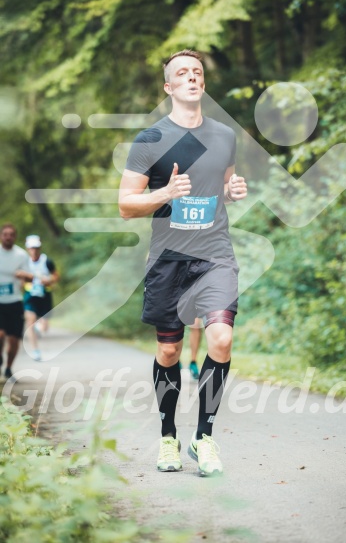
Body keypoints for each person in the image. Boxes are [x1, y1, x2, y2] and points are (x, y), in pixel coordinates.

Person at [119, 49, 247, 476]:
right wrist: (164, 195)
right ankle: (168, 436)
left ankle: (204, 437)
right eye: (182, 73)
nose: (191, 78)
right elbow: (125, 205)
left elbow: (221, 185)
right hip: (169, 259)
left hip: (214, 255)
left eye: (197, 72)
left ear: (203, 84)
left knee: (222, 340)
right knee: (170, 350)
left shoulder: (225, 136)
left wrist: (233, 190)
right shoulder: (149, 140)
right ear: (168, 87)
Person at [0, 223, 32, 379]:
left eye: (11, 234)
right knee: (0, 335)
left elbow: (31, 276)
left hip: (14, 302)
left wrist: (23, 274)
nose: (8, 237)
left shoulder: (21, 255)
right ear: (1, 236)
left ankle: (8, 368)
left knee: (13, 340)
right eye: (5, 234)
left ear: (15, 237)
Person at [24, 235, 60, 361]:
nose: (34, 250)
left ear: (39, 248)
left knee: (44, 327)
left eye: (36, 248)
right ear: (28, 249)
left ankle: (38, 328)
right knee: (30, 320)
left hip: (45, 295)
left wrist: (48, 280)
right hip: (30, 295)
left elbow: (56, 276)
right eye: (31, 248)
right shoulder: (24, 262)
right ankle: (35, 351)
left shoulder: (47, 261)